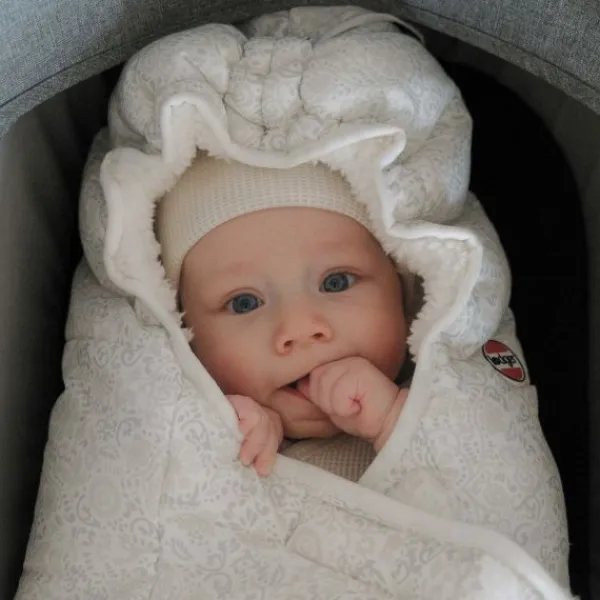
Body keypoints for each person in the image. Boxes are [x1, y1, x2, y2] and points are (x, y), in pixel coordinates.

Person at [157, 152, 417, 478]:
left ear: (402, 288)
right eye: (244, 303)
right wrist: (216, 436)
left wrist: (399, 423)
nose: (300, 327)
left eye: (335, 283)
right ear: (184, 332)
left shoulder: (449, 397)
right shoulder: (187, 431)